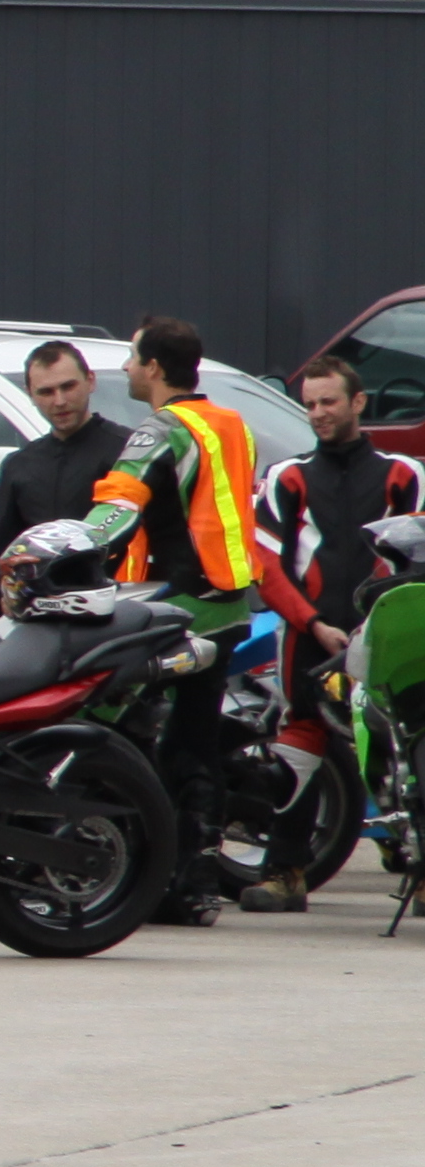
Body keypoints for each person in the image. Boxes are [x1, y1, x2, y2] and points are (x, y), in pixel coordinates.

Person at [8, 317, 320, 924]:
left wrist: (58, 552)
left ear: (153, 367)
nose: (125, 369)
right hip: (227, 606)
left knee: (104, 731)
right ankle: (191, 888)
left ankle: (111, 872)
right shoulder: (230, 423)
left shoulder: (163, 429)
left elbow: (117, 506)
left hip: (182, 610)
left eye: (131, 359)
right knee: (191, 747)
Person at [240, 347, 423, 912]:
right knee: (298, 740)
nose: (318, 413)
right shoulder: (287, 477)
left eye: (329, 402)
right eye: (310, 404)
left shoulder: (404, 473)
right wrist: (313, 623)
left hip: (388, 632)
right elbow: (264, 563)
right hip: (311, 635)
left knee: (409, 743)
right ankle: (285, 873)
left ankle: (418, 868)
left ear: (358, 403)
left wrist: (383, 624)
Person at [0, 339, 125, 623]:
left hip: (114, 614)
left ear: (90, 381)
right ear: (30, 394)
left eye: (68, 386)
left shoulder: (127, 453)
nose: (60, 401)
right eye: (46, 391)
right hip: (38, 621)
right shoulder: (19, 465)